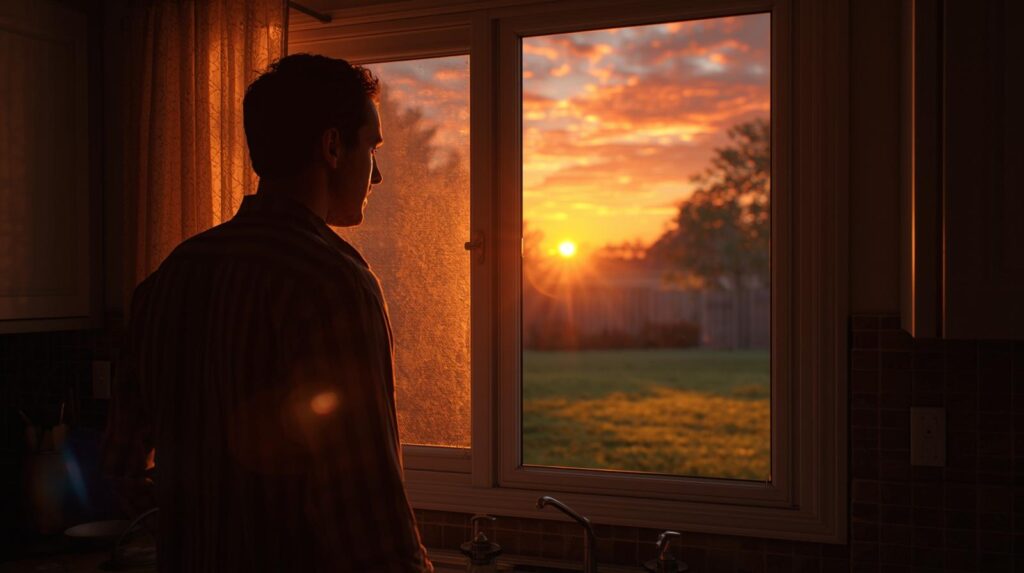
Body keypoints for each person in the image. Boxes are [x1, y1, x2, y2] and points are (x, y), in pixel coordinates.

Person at [103, 54, 433, 572]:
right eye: (372, 148)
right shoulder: (331, 283)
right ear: (332, 147)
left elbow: (121, 465)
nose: (378, 176)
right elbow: (367, 512)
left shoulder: (170, 276)